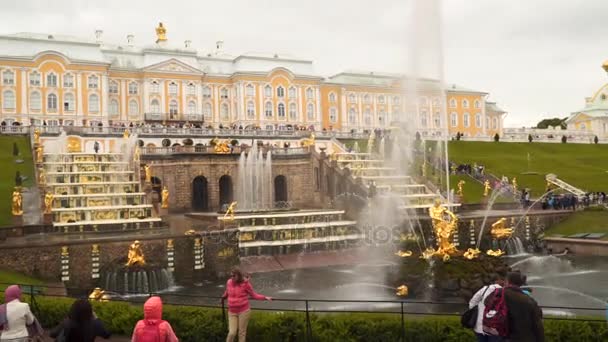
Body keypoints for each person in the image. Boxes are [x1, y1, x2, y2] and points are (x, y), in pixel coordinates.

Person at [222, 267, 271, 342]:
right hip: (232, 312)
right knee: (232, 332)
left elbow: (254, 295)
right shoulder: (229, 282)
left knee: (242, 333)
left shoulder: (246, 284)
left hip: (244, 311)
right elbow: (227, 291)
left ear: (239, 276)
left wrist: (265, 297)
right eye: (231, 275)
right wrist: (224, 296)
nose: (232, 277)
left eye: (234, 276)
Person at [503, 272, 544, 342]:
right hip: (523, 337)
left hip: (501, 336)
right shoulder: (528, 300)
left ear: (507, 281)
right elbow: (537, 324)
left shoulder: (498, 294)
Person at [468, 275, 505, 342]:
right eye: (502, 280)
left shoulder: (484, 289)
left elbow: (472, 302)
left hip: (480, 325)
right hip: (495, 327)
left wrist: (477, 312)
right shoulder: (504, 291)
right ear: (498, 281)